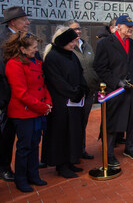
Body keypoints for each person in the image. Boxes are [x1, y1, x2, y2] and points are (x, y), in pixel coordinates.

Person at [94, 15, 133, 166]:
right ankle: (109, 153)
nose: (131, 29)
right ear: (118, 27)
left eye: (132, 26)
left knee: (132, 121)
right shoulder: (105, 43)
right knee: (112, 123)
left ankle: (129, 148)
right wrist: (116, 82)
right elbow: (100, 68)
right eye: (128, 26)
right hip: (115, 91)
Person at [3, 32, 52, 192]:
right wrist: (41, 106)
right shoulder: (14, 64)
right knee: (24, 147)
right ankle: (21, 179)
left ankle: (33, 175)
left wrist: (48, 103)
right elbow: (21, 93)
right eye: (34, 48)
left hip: (37, 111)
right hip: (23, 113)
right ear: (22, 49)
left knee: (34, 144)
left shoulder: (36, 62)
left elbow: (43, 85)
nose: (36, 50)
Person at [41, 27, 88, 178]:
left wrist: (82, 89)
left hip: (74, 102)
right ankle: (61, 165)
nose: (74, 44)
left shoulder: (71, 55)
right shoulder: (52, 57)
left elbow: (80, 73)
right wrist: (73, 93)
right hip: (61, 103)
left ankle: (69, 161)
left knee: (72, 132)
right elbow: (56, 81)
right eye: (71, 42)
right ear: (63, 42)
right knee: (60, 133)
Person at [0, 6, 31, 182]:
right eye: (24, 20)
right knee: (7, 135)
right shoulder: (2, 40)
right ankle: (4, 167)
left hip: (25, 94)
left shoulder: (26, 38)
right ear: (13, 22)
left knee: (25, 135)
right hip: (8, 95)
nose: (27, 23)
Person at [65, 20, 98, 160]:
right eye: (74, 29)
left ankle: (81, 149)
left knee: (83, 123)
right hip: (74, 95)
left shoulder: (87, 45)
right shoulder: (67, 48)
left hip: (88, 92)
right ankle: (71, 153)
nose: (77, 31)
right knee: (73, 124)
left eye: (78, 29)